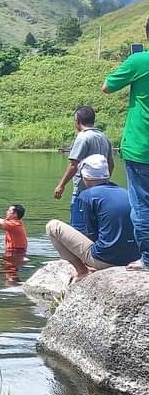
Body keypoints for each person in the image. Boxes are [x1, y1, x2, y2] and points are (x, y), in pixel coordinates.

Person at [46, 154, 141, 283]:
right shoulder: (126, 192)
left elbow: (90, 233)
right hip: (134, 259)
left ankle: (82, 271)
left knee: (53, 226)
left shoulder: (87, 196)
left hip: (105, 260)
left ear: (85, 177)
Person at [102, 22, 149, 271]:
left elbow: (107, 87)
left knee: (142, 206)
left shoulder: (139, 61)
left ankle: (148, 260)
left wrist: (132, 64)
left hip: (142, 146)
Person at [53, 106, 113, 230]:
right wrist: (104, 181)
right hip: (102, 190)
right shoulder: (104, 137)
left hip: (82, 190)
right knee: (95, 227)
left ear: (78, 121)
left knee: (78, 227)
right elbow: (111, 164)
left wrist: (61, 185)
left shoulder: (83, 137)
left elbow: (74, 165)